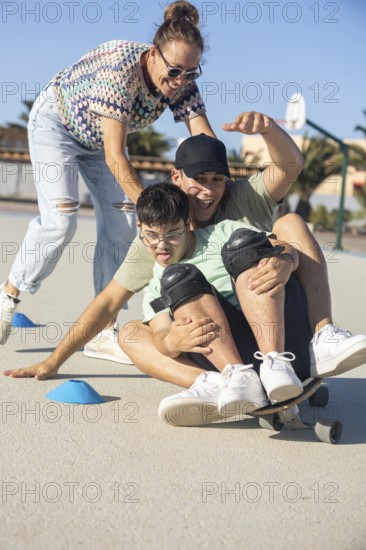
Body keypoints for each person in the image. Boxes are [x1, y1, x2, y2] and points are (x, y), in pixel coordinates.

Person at [3, 117, 307, 376]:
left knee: (288, 224)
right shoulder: (157, 241)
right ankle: (218, 382)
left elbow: (290, 166)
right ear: (176, 178)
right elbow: (108, 302)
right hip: (220, 339)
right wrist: (55, 360)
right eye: (198, 179)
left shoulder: (240, 202)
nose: (207, 189)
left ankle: (322, 336)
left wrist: (288, 256)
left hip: (277, 319)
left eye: (217, 179)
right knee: (136, 329)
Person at [0, 0, 215, 345]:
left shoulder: (182, 79)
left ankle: (104, 330)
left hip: (101, 143)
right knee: (61, 220)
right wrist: (154, 213)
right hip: (59, 126)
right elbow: (116, 155)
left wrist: (217, 185)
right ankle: (8, 294)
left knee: (122, 226)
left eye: (191, 73)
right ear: (153, 54)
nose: (180, 82)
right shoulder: (120, 67)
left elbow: (204, 140)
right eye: (175, 71)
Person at [132, 183, 366, 426]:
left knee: (255, 240)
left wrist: (286, 258)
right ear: (140, 227)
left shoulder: (221, 232)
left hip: (285, 339)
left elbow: (276, 245)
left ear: (187, 222)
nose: (161, 245)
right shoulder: (154, 287)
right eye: (151, 236)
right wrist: (172, 341)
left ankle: (305, 345)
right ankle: (234, 380)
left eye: (172, 234)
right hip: (236, 363)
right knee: (177, 280)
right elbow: (160, 333)